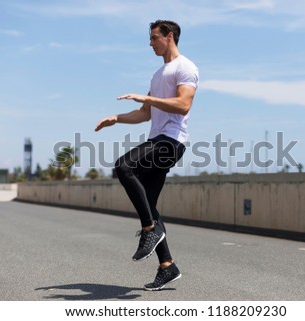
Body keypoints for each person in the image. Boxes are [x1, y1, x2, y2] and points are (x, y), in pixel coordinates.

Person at [95, 20, 199, 291]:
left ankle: (149, 230)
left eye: (154, 37)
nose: (150, 43)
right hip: (157, 139)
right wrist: (116, 118)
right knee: (148, 202)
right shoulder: (157, 74)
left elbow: (183, 105)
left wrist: (148, 99)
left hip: (171, 141)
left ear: (170, 36)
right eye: (150, 38)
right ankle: (167, 265)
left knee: (124, 166)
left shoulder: (185, 67)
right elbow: (145, 113)